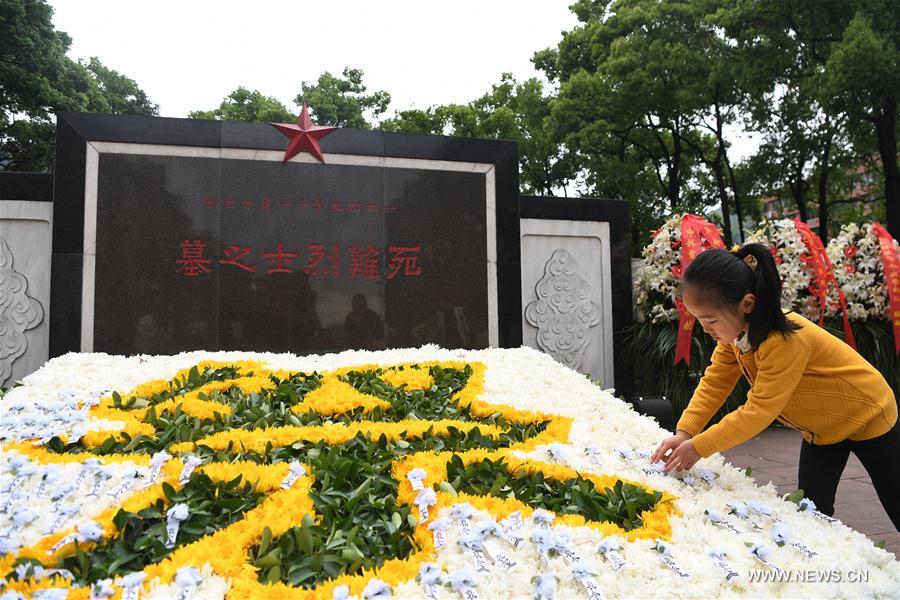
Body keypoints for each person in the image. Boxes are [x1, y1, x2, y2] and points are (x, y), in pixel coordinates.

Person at [651, 243, 899, 530]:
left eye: (710, 320)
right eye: (699, 321)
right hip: (822, 429)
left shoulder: (782, 339)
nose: (705, 329)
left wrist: (700, 446)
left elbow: (759, 411)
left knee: (895, 500)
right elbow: (715, 382)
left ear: (746, 304)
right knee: (810, 509)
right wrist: (685, 432)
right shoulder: (734, 338)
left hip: (868, 414)